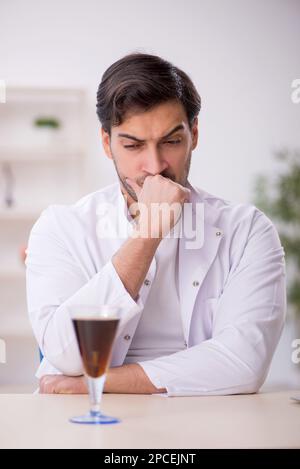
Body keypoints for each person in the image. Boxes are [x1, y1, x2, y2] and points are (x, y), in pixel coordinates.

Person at [26, 53, 286, 396]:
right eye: (133, 145)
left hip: (207, 419)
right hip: (84, 422)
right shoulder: (60, 227)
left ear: (193, 134)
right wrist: (148, 233)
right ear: (107, 143)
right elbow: (69, 354)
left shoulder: (248, 230)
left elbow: (243, 364)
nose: (154, 165)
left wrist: (97, 382)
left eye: (171, 141)